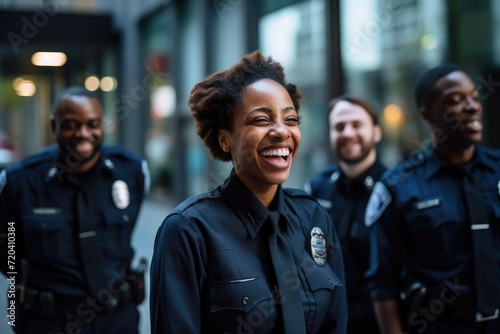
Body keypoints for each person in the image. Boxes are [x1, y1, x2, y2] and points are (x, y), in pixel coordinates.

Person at [150, 50, 347, 334]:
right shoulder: (188, 231)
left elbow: (336, 324)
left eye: (290, 120)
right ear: (225, 140)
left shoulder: (315, 217)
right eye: (260, 120)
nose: (281, 131)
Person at [0, 86, 150, 333]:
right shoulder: (20, 183)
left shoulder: (133, 172)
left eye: (93, 124)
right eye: (71, 125)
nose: (84, 133)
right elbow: (7, 252)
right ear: (53, 126)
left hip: (118, 321)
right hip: (50, 322)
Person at [365, 64, 500, 333]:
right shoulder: (399, 187)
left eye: (474, 97)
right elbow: (383, 282)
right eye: (455, 101)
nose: (472, 107)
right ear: (428, 115)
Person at [305, 95, 386, 333]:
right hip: (328, 321)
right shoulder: (317, 188)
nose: (348, 133)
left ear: (376, 132)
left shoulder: (395, 189)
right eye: (339, 127)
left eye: (357, 125)